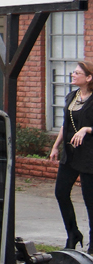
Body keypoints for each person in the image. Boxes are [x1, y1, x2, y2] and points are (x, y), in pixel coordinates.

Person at [49, 61, 93, 253]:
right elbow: (65, 124)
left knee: (90, 199)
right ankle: (73, 232)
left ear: (89, 77)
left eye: (77, 73)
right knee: (60, 192)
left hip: (89, 155)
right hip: (70, 153)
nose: (72, 75)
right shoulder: (72, 97)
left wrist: (87, 129)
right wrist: (55, 146)